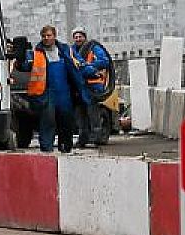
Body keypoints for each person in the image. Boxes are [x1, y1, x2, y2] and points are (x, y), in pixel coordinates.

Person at [14, 25, 90, 153]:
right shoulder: (35, 53)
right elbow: (24, 65)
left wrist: (92, 71)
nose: (46, 38)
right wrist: (20, 58)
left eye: (49, 35)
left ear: (54, 36)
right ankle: (46, 148)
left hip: (64, 92)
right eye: (44, 36)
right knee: (47, 120)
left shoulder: (66, 50)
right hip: (46, 92)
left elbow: (79, 64)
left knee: (66, 120)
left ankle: (65, 146)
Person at [70, 28, 112, 148]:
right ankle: (83, 137)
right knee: (79, 112)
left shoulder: (94, 48)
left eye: (80, 37)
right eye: (76, 37)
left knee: (92, 112)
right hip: (79, 86)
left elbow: (104, 61)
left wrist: (88, 67)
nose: (78, 39)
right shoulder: (72, 51)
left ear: (84, 37)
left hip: (93, 85)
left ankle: (96, 136)